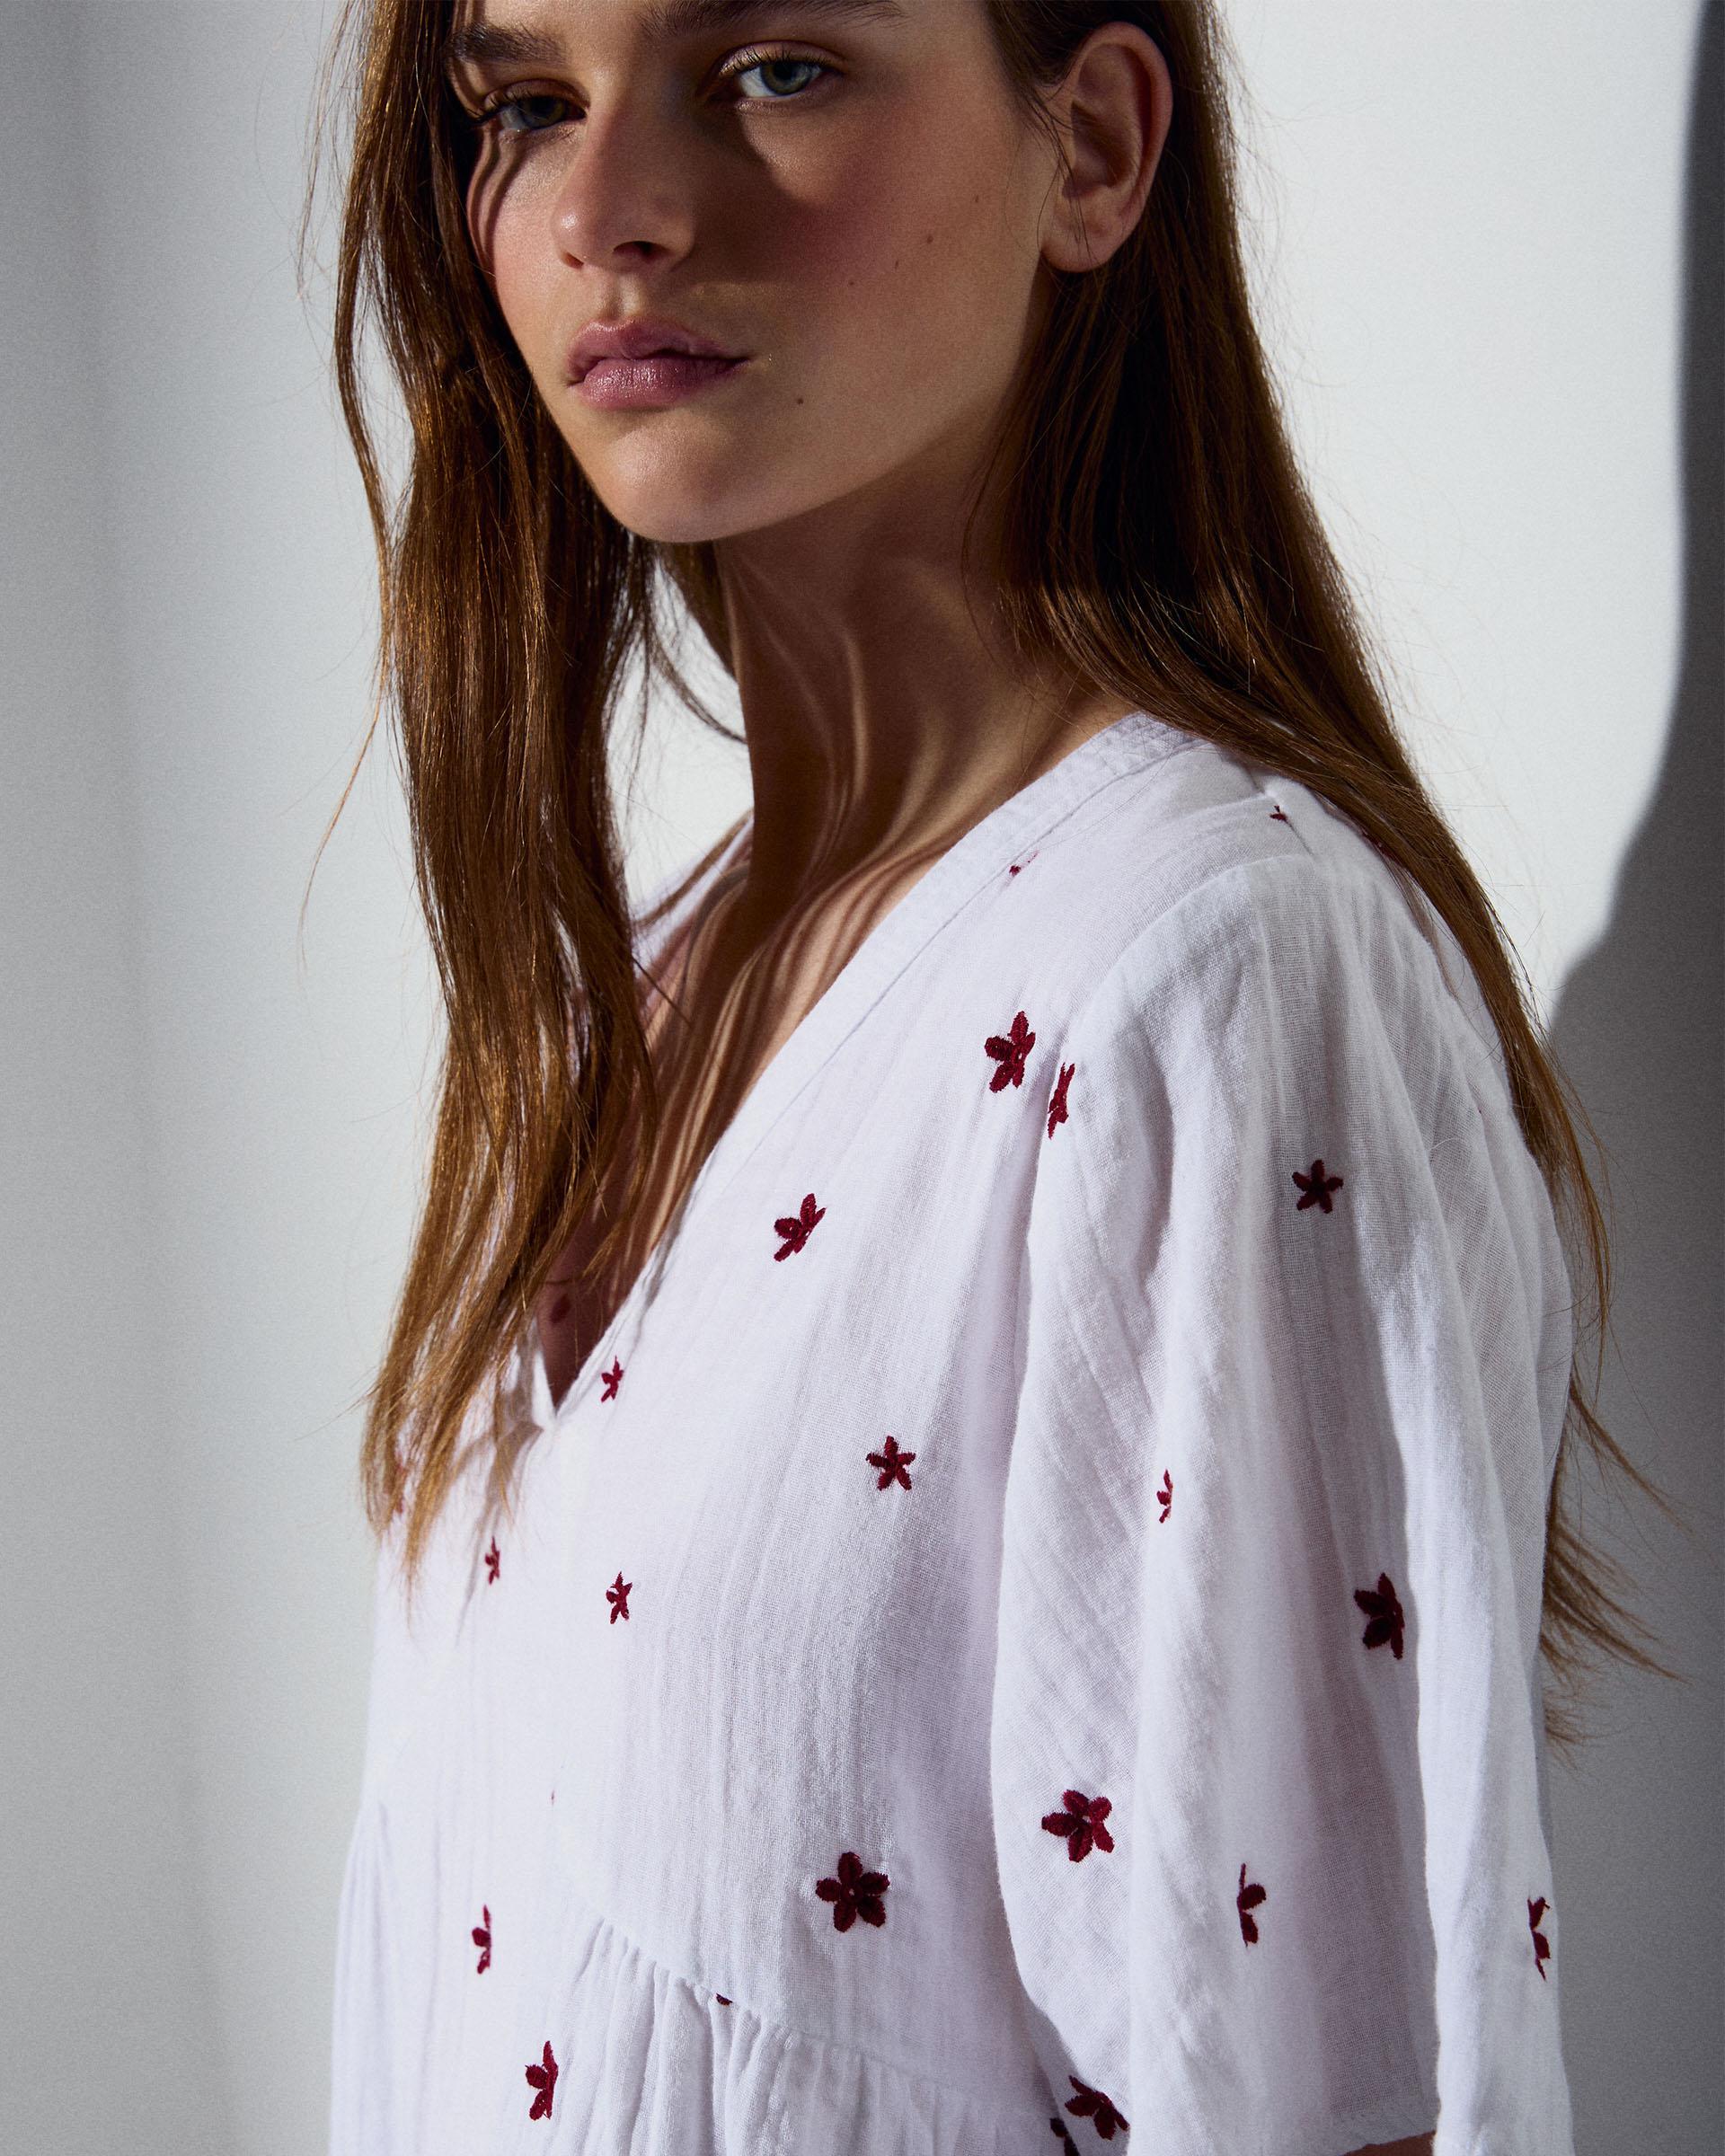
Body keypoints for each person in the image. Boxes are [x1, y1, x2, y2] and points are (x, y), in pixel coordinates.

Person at [308, 0, 1675, 2149]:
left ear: (1096, 147)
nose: (608, 213)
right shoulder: (621, 999)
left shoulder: (1209, 983)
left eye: (774, 68)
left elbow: (1310, 2096)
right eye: (526, 106)